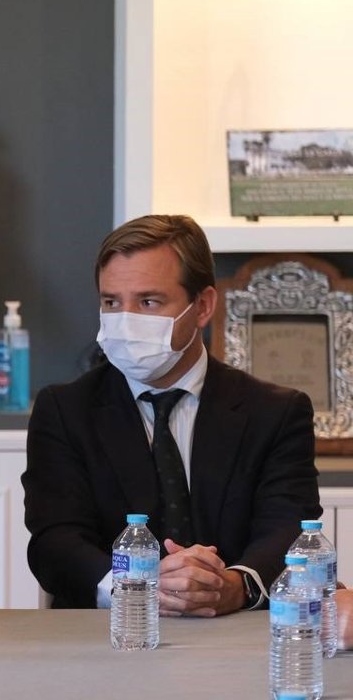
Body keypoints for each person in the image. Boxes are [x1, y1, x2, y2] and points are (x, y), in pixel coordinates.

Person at [23, 214, 321, 615]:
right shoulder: (64, 410)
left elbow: (288, 529)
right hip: (107, 633)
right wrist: (137, 587)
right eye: (112, 303)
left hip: (236, 633)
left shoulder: (275, 412)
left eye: (148, 302)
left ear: (203, 306)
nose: (126, 321)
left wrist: (234, 586)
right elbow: (55, 542)